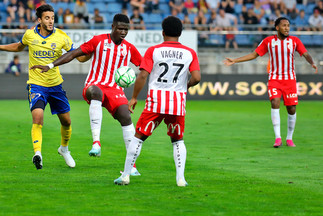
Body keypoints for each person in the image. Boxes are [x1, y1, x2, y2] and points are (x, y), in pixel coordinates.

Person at [30, 14, 143, 176]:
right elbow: (74, 54)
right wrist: (51, 64)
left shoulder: (129, 48)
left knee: (126, 118)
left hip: (115, 90)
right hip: (94, 85)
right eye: (120, 28)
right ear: (112, 27)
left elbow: (145, 67)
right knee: (95, 92)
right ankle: (96, 142)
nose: (123, 32)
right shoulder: (98, 41)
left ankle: (131, 166)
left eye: (126, 29)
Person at [114, 16, 201, 187]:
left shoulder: (154, 50)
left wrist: (133, 98)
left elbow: (143, 75)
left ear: (163, 32)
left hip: (156, 101)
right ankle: (180, 179)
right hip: (177, 101)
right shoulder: (190, 53)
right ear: (180, 33)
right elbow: (197, 77)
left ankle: (125, 175)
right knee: (178, 140)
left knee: (138, 138)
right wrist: (186, 85)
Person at [0, 4, 88, 169]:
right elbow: (19, 47)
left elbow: (79, 57)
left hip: (55, 85)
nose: (51, 21)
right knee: (38, 118)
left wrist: (90, 53)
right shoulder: (30, 35)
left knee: (67, 122)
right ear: (39, 19)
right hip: (36, 85)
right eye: (47, 18)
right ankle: (38, 154)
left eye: (53, 18)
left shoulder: (61, 36)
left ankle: (64, 149)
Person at [223, 17, 317, 148]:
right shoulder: (269, 41)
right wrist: (235, 60)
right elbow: (254, 55)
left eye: (288, 25)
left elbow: (305, 54)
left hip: (289, 80)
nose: (287, 28)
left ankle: (289, 138)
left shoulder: (294, 41)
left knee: (291, 109)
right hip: (274, 79)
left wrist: (312, 63)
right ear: (277, 27)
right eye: (284, 25)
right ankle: (278, 137)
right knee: (275, 102)